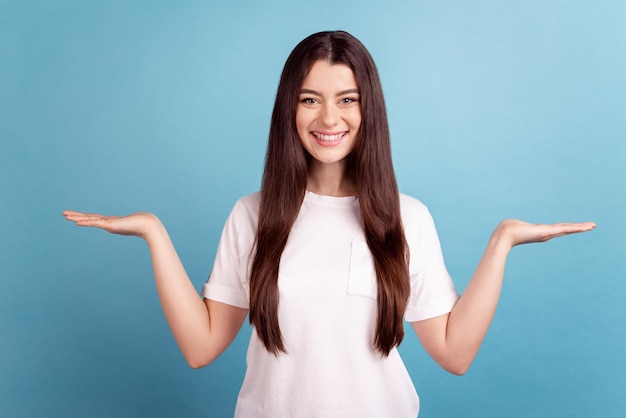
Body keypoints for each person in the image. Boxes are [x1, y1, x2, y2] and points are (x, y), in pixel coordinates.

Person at [63, 30, 595, 417]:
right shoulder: (253, 215)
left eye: (347, 100)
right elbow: (201, 347)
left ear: (369, 112)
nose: (328, 118)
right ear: (289, 111)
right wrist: (155, 233)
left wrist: (501, 242)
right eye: (310, 99)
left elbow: (454, 353)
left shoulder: (408, 218)